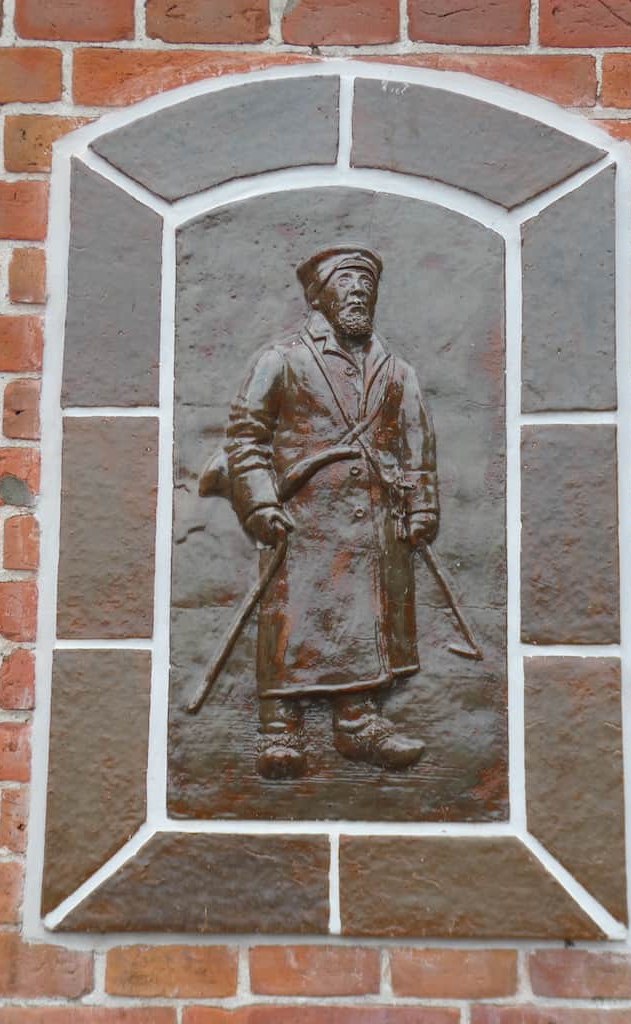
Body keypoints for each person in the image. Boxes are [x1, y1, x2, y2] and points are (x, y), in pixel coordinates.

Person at [219, 244, 439, 779]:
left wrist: (421, 507)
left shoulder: (397, 371)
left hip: (376, 522)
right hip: (304, 522)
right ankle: (280, 728)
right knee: (293, 619)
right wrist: (260, 503)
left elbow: (417, 444)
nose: (359, 292)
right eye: (346, 282)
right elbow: (246, 438)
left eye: (367, 284)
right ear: (319, 295)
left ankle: (358, 723)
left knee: (367, 617)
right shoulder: (281, 360)